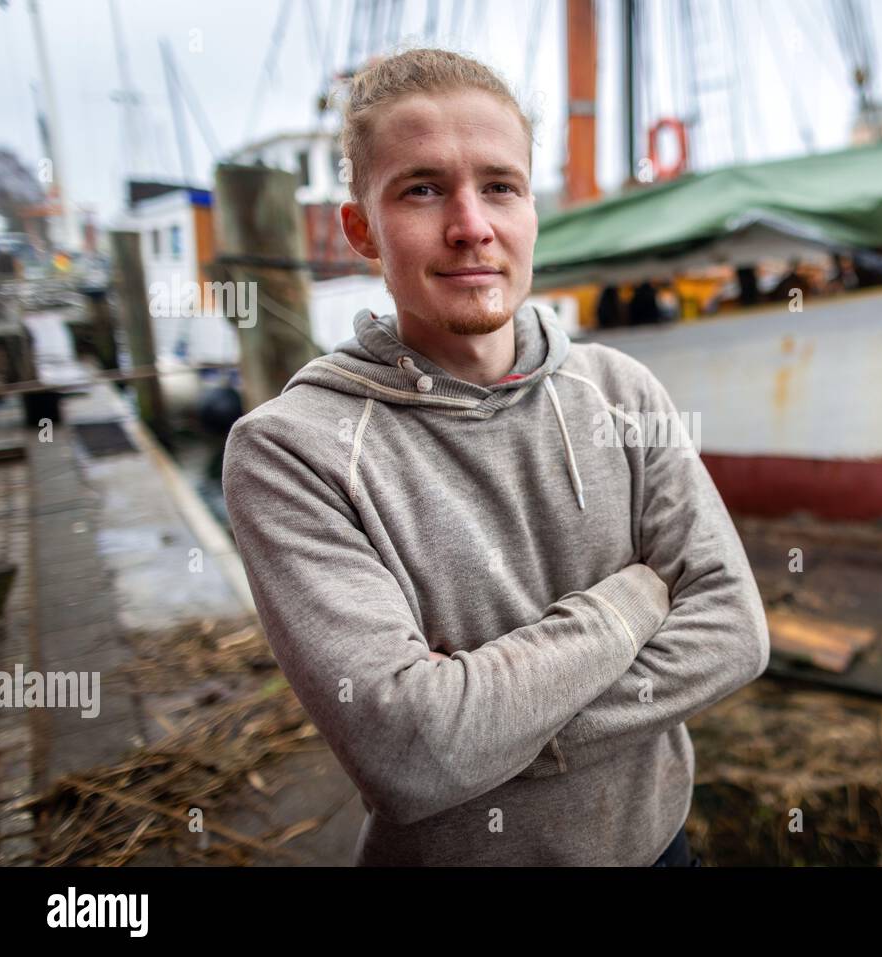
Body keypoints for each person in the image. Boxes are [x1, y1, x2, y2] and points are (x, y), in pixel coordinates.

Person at [220, 47, 769, 867]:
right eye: (423, 188)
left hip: (659, 849)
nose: (471, 224)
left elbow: (734, 633)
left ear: (531, 210)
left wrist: (487, 737)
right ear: (361, 228)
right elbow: (412, 751)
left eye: (501, 186)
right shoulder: (291, 452)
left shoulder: (624, 391)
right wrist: (631, 603)